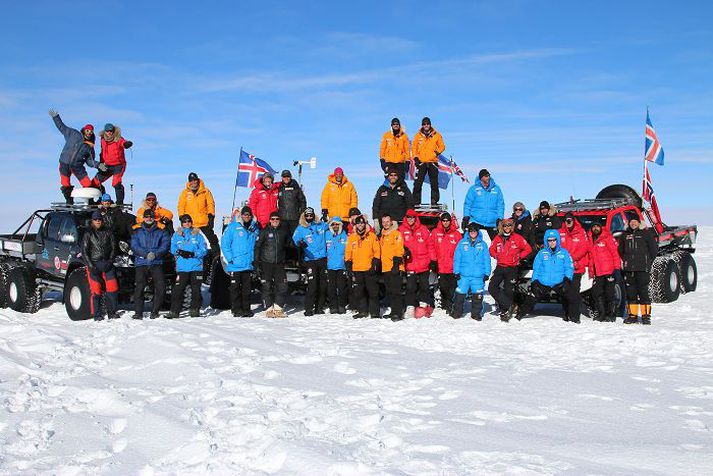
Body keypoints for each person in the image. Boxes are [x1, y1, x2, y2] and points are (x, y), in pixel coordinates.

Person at [519, 229, 579, 323]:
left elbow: (569, 267)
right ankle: (519, 316)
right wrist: (534, 282)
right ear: (546, 241)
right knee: (531, 298)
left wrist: (567, 279)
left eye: (554, 240)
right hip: (544, 282)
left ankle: (574, 318)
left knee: (574, 297)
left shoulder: (564, 253)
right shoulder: (541, 253)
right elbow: (536, 268)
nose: (552, 242)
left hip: (560, 282)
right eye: (549, 240)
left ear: (558, 240)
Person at [49, 109, 99, 203]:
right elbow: (61, 127)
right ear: (84, 130)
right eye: (87, 130)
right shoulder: (73, 134)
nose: (89, 132)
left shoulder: (90, 146)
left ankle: (90, 203)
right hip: (64, 163)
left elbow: (90, 161)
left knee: (87, 183)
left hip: (77, 166)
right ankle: (69, 202)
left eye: (91, 131)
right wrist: (56, 117)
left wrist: (98, 165)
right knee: (65, 183)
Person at [488, 217, 531, 321]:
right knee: (492, 287)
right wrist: (496, 255)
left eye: (509, 225)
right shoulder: (498, 238)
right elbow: (491, 249)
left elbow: (528, 249)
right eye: (505, 226)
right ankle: (509, 305)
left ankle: (505, 310)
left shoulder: (517, 238)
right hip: (500, 267)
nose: (507, 227)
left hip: (512, 268)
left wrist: (519, 256)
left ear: (512, 227)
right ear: (502, 227)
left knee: (509, 290)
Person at [131, 209, 171, 319]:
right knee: (139, 288)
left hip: (156, 261)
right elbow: (134, 246)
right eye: (147, 217)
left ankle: (155, 311)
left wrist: (155, 254)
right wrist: (145, 254)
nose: (149, 219)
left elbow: (165, 245)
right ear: (143, 218)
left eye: (151, 217)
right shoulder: (137, 231)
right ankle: (138, 312)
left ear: (154, 218)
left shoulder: (161, 231)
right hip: (141, 262)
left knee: (161, 287)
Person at [221, 206, 260, 317]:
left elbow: (257, 244)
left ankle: (246, 309)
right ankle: (236, 309)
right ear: (241, 215)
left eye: (248, 215)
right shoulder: (233, 227)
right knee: (235, 289)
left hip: (248, 265)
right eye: (244, 214)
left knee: (247, 290)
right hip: (235, 264)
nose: (246, 217)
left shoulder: (254, 228)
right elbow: (225, 244)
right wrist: (230, 258)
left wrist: (254, 260)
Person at [166, 214, 207, 319]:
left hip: (196, 266)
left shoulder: (198, 235)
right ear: (181, 223)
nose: (187, 223)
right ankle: (174, 311)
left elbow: (204, 250)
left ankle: (194, 310)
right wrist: (179, 251)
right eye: (184, 222)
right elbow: (172, 248)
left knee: (196, 290)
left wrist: (192, 254)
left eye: (189, 221)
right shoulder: (177, 235)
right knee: (177, 290)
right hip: (182, 268)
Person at [619, 216, 657, 325]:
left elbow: (653, 249)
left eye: (635, 222)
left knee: (643, 292)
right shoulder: (624, 235)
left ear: (639, 223)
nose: (633, 223)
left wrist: (647, 262)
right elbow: (621, 250)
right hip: (629, 269)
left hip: (642, 269)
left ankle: (646, 317)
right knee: (631, 294)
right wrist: (626, 260)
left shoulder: (645, 234)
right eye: (631, 222)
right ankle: (632, 316)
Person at [82, 211, 119, 320]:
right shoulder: (88, 234)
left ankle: (112, 312)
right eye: (96, 219)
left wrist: (110, 261)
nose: (98, 221)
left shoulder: (108, 232)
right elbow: (84, 251)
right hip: (94, 263)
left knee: (112, 288)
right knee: (96, 290)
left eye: (99, 219)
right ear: (92, 221)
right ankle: (97, 314)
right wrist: (90, 265)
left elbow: (113, 248)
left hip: (107, 263)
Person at [293, 207, 329, 316]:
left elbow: (332, 225)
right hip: (310, 260)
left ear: (314, 215)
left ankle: (319, 308)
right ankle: (308, 309)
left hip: (322, 259)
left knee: (322, 286)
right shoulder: (300, 228)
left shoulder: (320, 225)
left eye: (311, 215)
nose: (309, 217)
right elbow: (295, 239)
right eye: (307, 216)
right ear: (304, 216)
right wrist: (299, 243)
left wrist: (327, 217)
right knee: (312, 286)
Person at [452, 223, 491, 320]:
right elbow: (457, 258)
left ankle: (476, 313)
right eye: (471, 231)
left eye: (474, 231)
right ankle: (457, 312)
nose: (473, 233)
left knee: (477, 295)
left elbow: (487, 259)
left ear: (477, 232)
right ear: (468, 232)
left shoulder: (483, 244)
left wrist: (487, 273)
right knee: (460, 295)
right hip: (464, 275)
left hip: (478, 276)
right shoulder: (462, 243)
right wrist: (456, 271)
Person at [345, 215, 381, 318]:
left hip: (369, 268)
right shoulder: (352, 237)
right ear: (355, 225)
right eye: (358, 223)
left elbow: (377, 251)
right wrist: (348, 264)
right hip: (357, 269)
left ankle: (374, 312)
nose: (360, 225)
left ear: (365, 224)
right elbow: (348, 252)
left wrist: (375, 263)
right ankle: (362, 311)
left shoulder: (372, 236)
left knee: (373, 291)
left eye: (362, 223)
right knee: (359, 292)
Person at [255, 211, 290, 317]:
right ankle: (269, 308)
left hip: (279, 263)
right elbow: (258, 247)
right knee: (266, 286)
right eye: (273, 219)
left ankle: (278, 308)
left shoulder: (283, 232)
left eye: (277, 219)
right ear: (270, 220)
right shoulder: (264, 231)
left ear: (280, 220)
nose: (275, 221)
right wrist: (257, 262)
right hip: (266, 263)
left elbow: (288, 244)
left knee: (283, 286)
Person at [399, 209, 433, 317]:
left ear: (416, 218)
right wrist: (404, 250)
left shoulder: (423, 229)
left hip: (424, 263)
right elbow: (398, 245)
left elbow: (430, 245)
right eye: (408, 217)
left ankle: (423, 305)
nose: (410, 219)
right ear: (406, 218)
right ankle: (410, 306)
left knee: (424, 286)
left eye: (412, 217)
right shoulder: (401, 230)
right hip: (410, 264)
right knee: (410, 287)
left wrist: (432, 260)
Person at [427, 212, 462, 315]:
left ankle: (450, 306)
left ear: (450, 221)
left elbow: (460, 250)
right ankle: (445, 304)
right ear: (441, 221)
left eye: (447, 220)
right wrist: (433, 260)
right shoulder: (435, 232)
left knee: (452, 287)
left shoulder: (456, 234)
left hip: (452, 266)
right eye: (444, 220)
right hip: (440, 265)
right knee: (443, 287)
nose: (445, 222)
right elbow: (431, 246)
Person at [558, 212, 589, 322]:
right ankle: (566, 313)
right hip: (563, 268)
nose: (568, 222)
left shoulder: (581, 232)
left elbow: (584, 247)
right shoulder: (560, 232)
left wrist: (572, 258)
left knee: (575, 292)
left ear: (574, 220)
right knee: (564, 292)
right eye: (566, 220)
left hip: (576, 266)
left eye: (570, 220)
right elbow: (556, 247)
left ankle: (575, 316)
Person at [588, 222, 621, 322]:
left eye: (597, 226)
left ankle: (611, 315)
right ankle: (602, 314)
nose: (595, 228)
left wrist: (616, 268)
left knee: (609, 293)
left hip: (609, 270)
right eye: (593, 227)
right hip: (597, 272)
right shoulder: (590, 240)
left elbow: (615, 253)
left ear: (601, 227)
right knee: (597, 293)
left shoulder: (607, 238)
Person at [178, 172, 219, 252]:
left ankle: (216, 260)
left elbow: (210, 204)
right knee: (189, 242)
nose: (193, 182)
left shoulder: (205, 191)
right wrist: (181, 217)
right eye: (191, 181)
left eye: (195, 180)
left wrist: (211, 216)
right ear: (189, 182)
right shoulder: (185, 193)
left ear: (198, 180)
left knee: (213, 240)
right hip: (190, 223)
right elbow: (181, 206)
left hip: (203, 222)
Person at [93, 123, 133, 204]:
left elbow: (123, 143)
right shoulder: (103, 139)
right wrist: (101, 163)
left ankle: (119, 203)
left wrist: (127, 144)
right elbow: (102, 151)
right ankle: (103, 199)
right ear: (105, 131)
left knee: (116, 183)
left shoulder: (118, 139)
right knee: (95, 182)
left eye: (111, 131)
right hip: (107, 165)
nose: (109, 132)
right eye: (107, 131)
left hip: (119, 165)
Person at [462, 169, 505, 240]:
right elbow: (467, 204)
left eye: (488, 176)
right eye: (485, 176)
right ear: (481, 178)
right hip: (476, 220)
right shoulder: (473, 189)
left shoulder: (496, 189)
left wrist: (500, 218)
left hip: (492, 222)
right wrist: (466, 216)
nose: (487, 177)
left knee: (497, 243)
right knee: (471, 240)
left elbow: (501, 204)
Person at [411, 117, 445, 205]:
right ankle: (416, 201)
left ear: (430, 125)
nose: (426, 125)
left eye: (427, 124)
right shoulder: (417, 136)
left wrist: (436, 153)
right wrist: (415, 158)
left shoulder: (436, 134)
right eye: (424, 124)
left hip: (432, 162)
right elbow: (414, 147)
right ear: (422, 125)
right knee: (418, 183)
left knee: (434, 183)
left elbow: (442, 146)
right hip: (421, 162)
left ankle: (434, 200)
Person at [379, 213, 405, 321]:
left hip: (395, 267)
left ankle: (398, 313)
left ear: (391, 222)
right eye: (383, 222)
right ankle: (393, 311)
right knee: (390, 291)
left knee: (396, 291)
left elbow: (400, 249)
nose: (385, 224)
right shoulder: (383, 235)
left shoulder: (396, 233)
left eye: (387, 221)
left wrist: (396, 263)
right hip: (386, 268)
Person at [325, 216, 349, 314]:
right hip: (330, 265)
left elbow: (348, 250)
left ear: (340, 225)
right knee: (331, 287)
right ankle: (333, 306)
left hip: (341, 265)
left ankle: (341, 305)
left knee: (342, 287)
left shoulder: (345, 235)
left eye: (337, 224)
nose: (335, 226)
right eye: (333, 224)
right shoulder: (326, 234)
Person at [277, 169, 307, 237]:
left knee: (295, 237)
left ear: (290, 177)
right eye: (284, 177)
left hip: (294, 218)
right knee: (284, 238)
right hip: (282, 218)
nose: (286, 178)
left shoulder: (296, 187)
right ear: (282, 178)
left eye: (288, 176)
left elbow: (302, 201)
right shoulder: (279, 188)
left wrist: (302, 214)